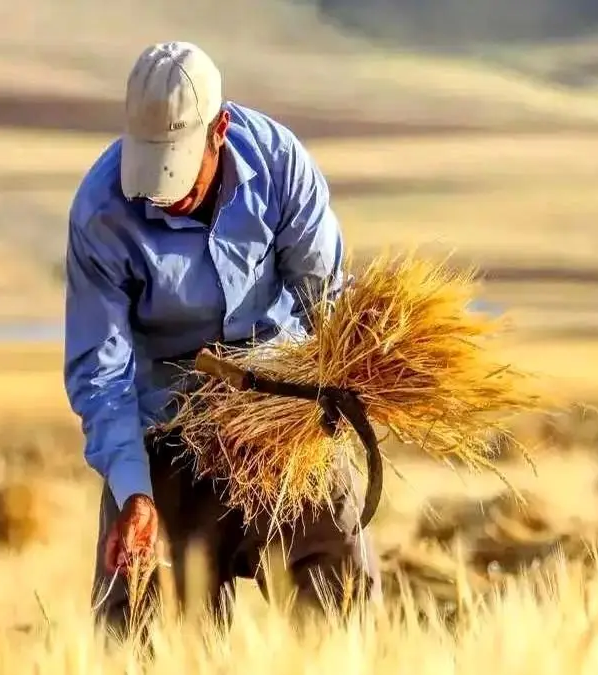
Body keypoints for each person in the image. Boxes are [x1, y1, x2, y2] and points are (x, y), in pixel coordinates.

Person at [62, 40, 381, 638]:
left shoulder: (281, 166)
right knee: (137, 619)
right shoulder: (100, 213)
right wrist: (133, 493)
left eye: (177, 165)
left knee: (341, 602)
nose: (163, 189)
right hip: (168, 424)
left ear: (220, 130)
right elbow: (100, 374)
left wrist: (339, 393)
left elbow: (325, 303)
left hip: (280, 414)